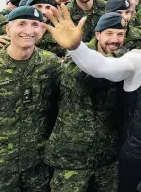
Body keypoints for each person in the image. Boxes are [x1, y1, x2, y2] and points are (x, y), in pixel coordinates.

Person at [45, 13, 129, 192]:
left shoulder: (126, 59)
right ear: (97, 34)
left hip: (107, 158)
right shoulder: (75, 56)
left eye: (120, 34)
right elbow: (82, 79)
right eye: (109, 33)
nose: (115, 39)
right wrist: (76, 48)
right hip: (72, 158)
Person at [0, 6, 61, 191]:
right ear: (8, 29)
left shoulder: (51, 64)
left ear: (42, 29)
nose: (28, 31)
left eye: (35, 24)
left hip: (37, 165)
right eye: (22, 24)